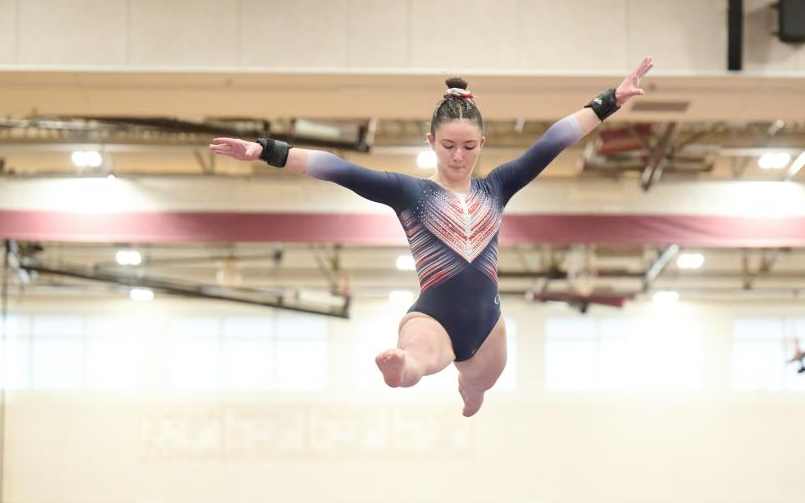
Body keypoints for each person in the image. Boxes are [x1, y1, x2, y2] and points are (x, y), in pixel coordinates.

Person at [208, 59, 654, 417]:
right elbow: (340, 168)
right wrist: (268, 150)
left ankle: (471, 392)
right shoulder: (410, 192)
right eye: (448, 146)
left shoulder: (497, 187)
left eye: (469, 146)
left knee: (482, 380)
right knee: (418, 355)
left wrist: (609, 100)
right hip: (434, 315)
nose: (459, 156)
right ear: (431, 141)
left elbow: (552, 142)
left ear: (482, 141)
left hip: (487, 323)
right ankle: (402, 369)